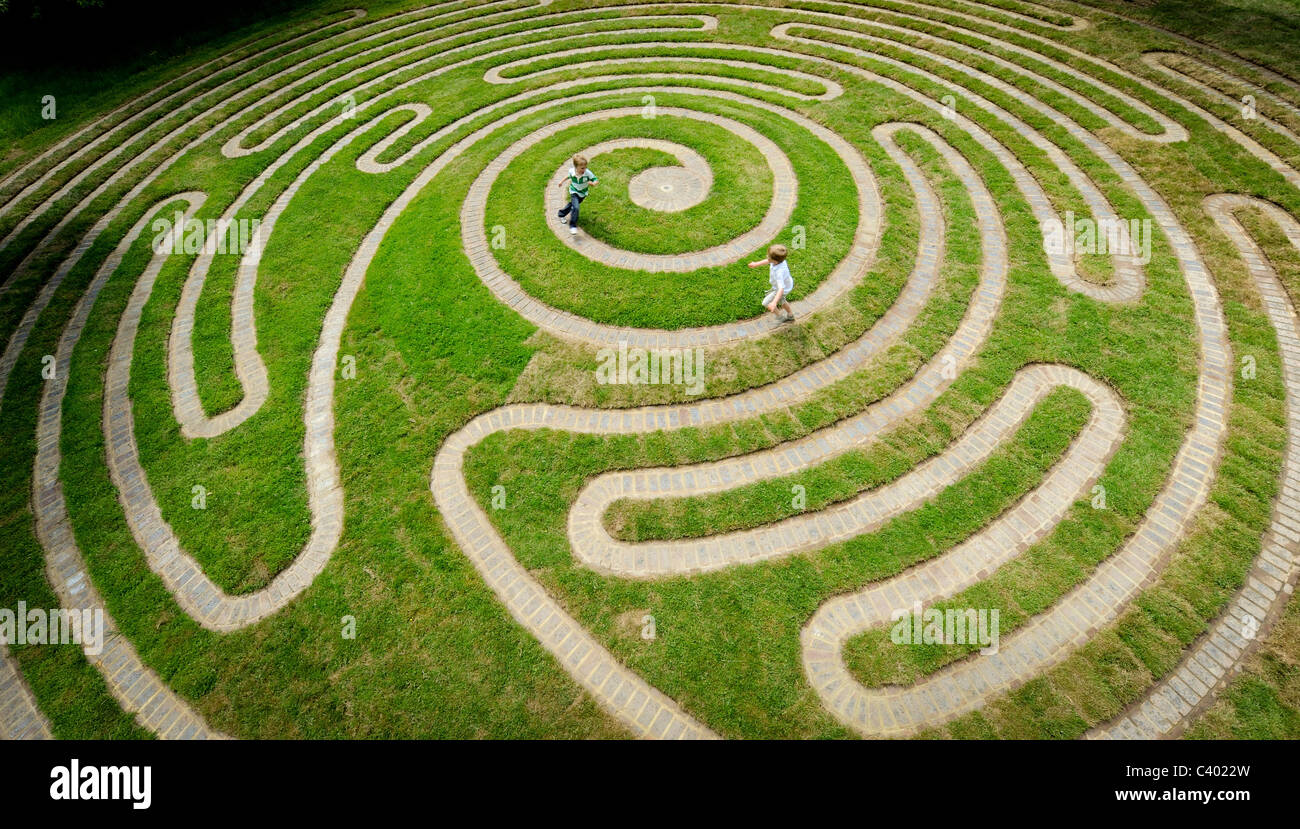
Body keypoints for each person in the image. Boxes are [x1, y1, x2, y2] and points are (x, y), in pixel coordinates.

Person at [749, 243, 795, 322]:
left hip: (781, 289)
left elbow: (781, 288)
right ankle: (790, 315)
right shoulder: (779, 261)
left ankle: (780, 317)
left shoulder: (779, 272)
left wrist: (774, 302)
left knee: (766, 303)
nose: (767, 257)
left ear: (775, 261)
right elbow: (768, 261)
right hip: (785, 285)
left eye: (769, 257)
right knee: (782, 300)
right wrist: (756, 264)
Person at [557, 154, 598, 236]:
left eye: (585, 167)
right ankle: (572, 226)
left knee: (572, 205)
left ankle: (561, 214)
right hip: (574, 191)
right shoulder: (572, 171)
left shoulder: (587, 173)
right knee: (576, 207)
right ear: (576, 167)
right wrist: (561, 182)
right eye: (582, 168)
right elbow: (568, 177)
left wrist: (593, 183)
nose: (584, 169)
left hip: (583, 194)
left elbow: (595, 179)